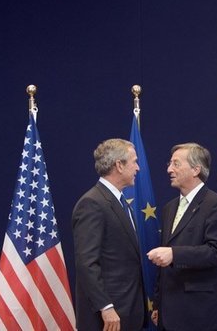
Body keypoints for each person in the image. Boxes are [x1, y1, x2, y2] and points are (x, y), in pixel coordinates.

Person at [147, 142, 217, 331]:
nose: (169, 169)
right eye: (169, 163)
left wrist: (175, 254)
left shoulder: (216, 205)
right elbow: (163, 264)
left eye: (176, 164)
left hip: (202, 315)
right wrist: (158, 303)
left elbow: (216, 252)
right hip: (169, 313)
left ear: (196, 169)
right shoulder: (169, 208)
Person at [72, 138, 146, 331]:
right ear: (119, 165)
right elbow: (87, 262)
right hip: (108, 318)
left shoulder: (120, 202)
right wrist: (106, 306)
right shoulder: (92, 204)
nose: (137, 168)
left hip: (128, 311)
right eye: (134, 161)